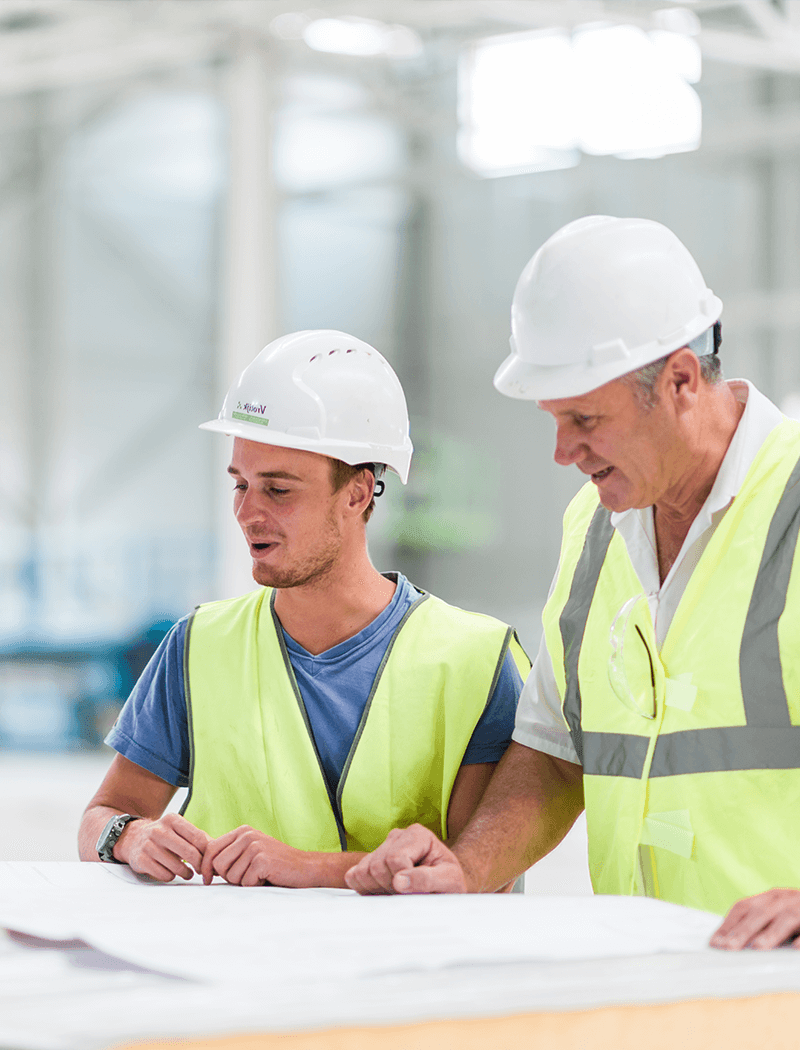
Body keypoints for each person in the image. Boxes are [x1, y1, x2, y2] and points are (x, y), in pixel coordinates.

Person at [345, 216, 800, 952]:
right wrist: (467, 868)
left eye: (585, 419)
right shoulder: (594, 526)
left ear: (681, 380)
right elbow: (557, 752)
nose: (562, 452)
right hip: (647, 982)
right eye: (554, 420)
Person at [78, 329, 529, 888]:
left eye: (279, 490)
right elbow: (104, 814)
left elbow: (475, 874)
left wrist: (306, 867)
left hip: (406, 970)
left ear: (358, 494)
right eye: (240, 484)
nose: (247, 513)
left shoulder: (478, 661)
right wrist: (130, 835)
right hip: (225, 969)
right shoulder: (198, 645)